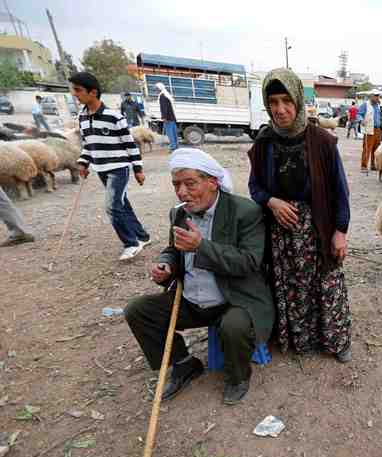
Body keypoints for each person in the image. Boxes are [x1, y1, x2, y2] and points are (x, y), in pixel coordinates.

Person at [125, 148, 273, 404]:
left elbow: (249, 262)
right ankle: (184, 364)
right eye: (176, 185)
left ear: (213, 182)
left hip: (234, 298)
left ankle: (238, 377)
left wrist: (201, 247)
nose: (182, 192)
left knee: (234, 326)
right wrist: (166, 265)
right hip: (193, 298)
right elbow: (174, 249)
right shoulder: (179, 213)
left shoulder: (245, 212)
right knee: (138, 310)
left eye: (190, 184)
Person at [247, 68, 352, 363]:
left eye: (286, 100)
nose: (280, 109)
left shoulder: (322, 141)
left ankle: (336, 340)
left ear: (297, 100)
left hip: (318, 225)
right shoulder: (265, 142)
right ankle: (299, 340)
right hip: (282, 234)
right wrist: (271, 202)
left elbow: (340, 191)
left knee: (327, 284)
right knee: (291, 286)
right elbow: (254, 187)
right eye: (273, 102)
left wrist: (340, 231)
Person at [69, 71, 151, 261]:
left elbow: (130, 144)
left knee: (112, 207)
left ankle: (131, 244)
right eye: (74, 90)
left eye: (78, 90)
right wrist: (83, 162)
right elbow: (89, 144)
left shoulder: (114, 117)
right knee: (122, 204)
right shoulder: (82, 117)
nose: (75, 94)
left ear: (93, 92)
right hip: (101, 169)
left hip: (119, 168)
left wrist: (138, 170)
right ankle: (141, 236)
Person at [357, 90, 382, 174]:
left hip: (378, 129)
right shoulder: (365, 105)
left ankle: (373, 165)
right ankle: (364, 166)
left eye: (378, 96)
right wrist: (361, 120)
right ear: (371, 96)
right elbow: (359, 114)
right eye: (375, 96)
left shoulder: (378, 105)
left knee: (376, 149)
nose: (377, 97)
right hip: (369, 129)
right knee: (367, 148)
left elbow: (379, 117)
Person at [156, 82, 178, 151]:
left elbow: (164, 108)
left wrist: (164, 117)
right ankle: (176, 145)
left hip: (168, 118)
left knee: (170, 133)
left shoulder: (162, 96)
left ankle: (173, 147)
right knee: (174, 133)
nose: (156, 90)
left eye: (157, 88)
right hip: (172, 117)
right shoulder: (167, 95)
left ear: (159, 89)